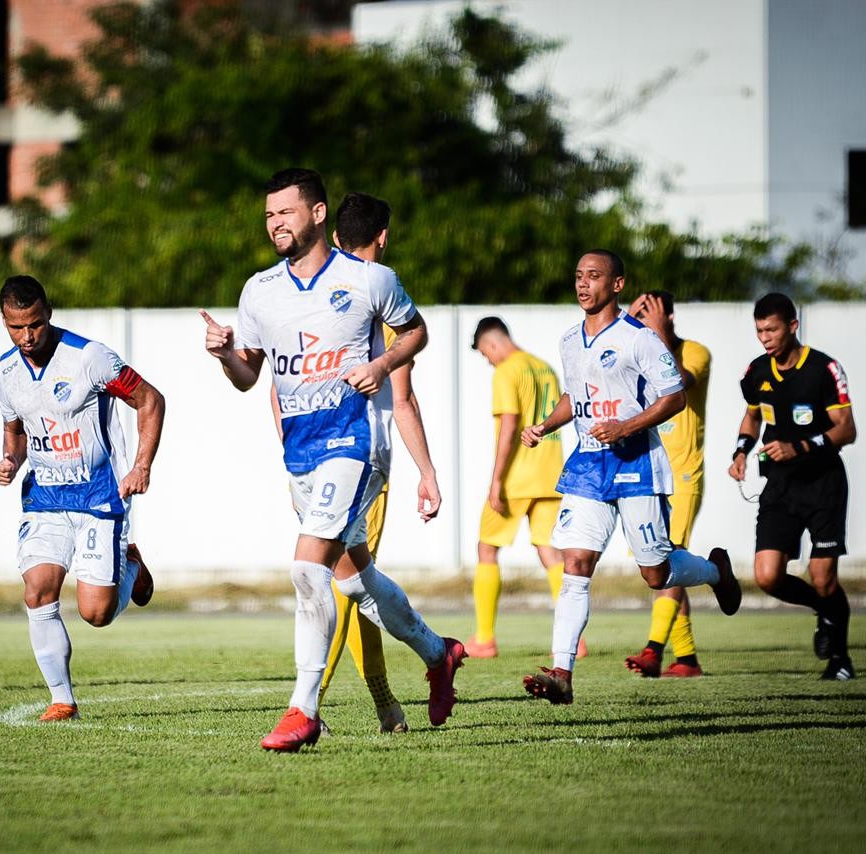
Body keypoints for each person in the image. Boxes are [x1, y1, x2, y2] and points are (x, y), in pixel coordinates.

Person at [202, 168, 464, 751]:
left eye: (286, 213)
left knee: (306, 568)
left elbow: (415, 332)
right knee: (353, 580)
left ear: (318, 214)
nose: (275, 224)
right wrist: (225, 355)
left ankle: (304, 709)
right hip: (303, 451)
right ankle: (437, 651)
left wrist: (381, 365)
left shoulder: (369, 280)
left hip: (356, 442)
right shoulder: (258, 291)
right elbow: (249, 377)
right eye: (269, 215)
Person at [520, 250, 740, 705]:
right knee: (575, 565)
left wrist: (625, 426)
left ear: (617, 285)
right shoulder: (568, 340)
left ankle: (716, 570)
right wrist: (545, 424)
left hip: (637, 462)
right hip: (588, 465)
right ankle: (562, 671)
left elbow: (675, 396)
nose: (583, 284)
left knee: (655, 574)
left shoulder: (639, 339)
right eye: (579, 275)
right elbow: (574, 394)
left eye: (594, 276)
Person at [0, 275, 164, 722]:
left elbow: (149, 400)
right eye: (16, 327)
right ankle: (62, 699)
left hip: (98, 497)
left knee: (95, 613)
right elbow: (15, 430)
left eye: (33, 324)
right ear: (4, 322)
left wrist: (141, 465)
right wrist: (10, 460)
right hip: (45, 498)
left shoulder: (90, 358)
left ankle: (131, 565)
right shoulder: (4, 372)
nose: (27, 336)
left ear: (48, 312)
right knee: (37, 591)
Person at [310, 192, 442, 735]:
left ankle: (315, 705)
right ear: (383, 236)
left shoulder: (311, 295)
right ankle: (408, 679)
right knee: (347, 586)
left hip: (314, 459)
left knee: (338, 584)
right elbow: (403, 398)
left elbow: (279, 384)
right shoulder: (383, 296)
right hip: (363, 462)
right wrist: (428, 473)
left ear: (335, 235)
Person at [729, 292, 857, 680]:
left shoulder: (823, 369)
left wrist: (797, 446)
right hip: (779, 488)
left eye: (772, 329)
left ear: (792, 326)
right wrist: (740, 452)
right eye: (759, 331)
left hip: (823, 485)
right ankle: (824, 610)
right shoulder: (756, 373)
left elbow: (846, 430)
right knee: (767, 576)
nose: (765, 337)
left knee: (824, 578)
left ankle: (841, 659)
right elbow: (752, 417)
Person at [468, 316, 580, 660]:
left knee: (487, 549)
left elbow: (510, 423)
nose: (488, 360)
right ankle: (574, 638)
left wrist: (496, 480)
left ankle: (485, 638)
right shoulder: (543, 367)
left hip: (518, 477)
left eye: (485, 354)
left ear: (491, 343)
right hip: (551, 474)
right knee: (551, 554)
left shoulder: (507, 371)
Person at [624, 291, 712, 678]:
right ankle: (687, 657)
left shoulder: (696, 352)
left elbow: (677, 383)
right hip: (649, 473)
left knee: (668, 557)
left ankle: (654, 648)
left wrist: (657, 334)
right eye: (639, 315)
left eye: (651, 315)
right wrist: (626, 328)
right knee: (664, 565)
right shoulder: (638, 350)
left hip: (685, 474)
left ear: (670, 317)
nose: (644, 321)